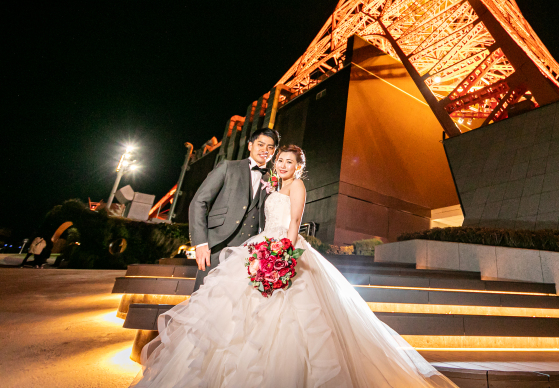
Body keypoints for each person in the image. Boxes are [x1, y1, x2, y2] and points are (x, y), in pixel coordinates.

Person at [131, 145, 456, 388]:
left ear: (298, 167)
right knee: (236, 311)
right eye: (280, 160)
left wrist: (283, 255)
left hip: (282, 247)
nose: (283, 165)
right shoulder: (274, 187)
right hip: (261, 244)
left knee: (292, 316)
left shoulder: (297, 186)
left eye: (289, 161)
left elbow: (295, 222)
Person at [189, 127, 279, 291]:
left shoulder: (272, 181)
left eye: (270, 147)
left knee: (234, 301)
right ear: (250, 145)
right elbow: (199, 201)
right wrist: (201, 243)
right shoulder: (228, 167)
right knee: (205, 297)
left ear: (273, 152)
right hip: (217, 246)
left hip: (249, 253)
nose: (265, 150)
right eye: (260, 144)